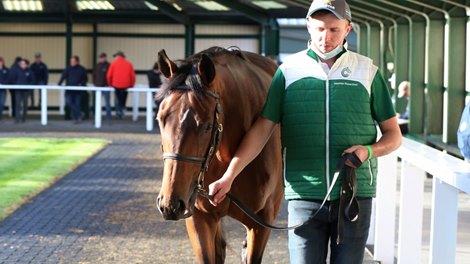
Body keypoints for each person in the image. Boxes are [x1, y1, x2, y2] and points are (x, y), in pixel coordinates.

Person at [208, 1, 402, 263]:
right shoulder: (287, 72)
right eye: (320, 28)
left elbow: (393, 136)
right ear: (309, 26)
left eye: (334, 29)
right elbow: (262, 129)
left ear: (348, 29)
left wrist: (368, 151)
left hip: (354, 194)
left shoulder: (368, 71)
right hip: (303, 195)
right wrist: (229, 176)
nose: (326, 37)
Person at [58, 55, 88, 124]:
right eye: (71, 61)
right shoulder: (68, 69)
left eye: (73, 61)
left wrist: (81, 83)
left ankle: (76, 119)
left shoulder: (82, 69)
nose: (72, 62)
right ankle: (80, 113)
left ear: (77, 61)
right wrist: (59, 83)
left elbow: (85, 79)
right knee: (69, 102)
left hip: (78, 91)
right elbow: (63, 76)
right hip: (69, 91)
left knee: (77, 104)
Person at [106, 51, 135, 119]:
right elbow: (132, 76)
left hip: (116, 85)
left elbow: (109, 76)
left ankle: (119, 111)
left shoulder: (113, 63)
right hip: (126, 85)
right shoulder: (129, 64)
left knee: (117, 98)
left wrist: (110, 84)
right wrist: (131, 85)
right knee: (124, 98)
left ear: (117, 56)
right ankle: (123, 108)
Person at [8, 59, 36, 123]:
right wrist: (16, 85)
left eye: (23, 64)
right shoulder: (16, 71)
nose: (22, 65)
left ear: (26, 65)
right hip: (18, 90)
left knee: (25, 104)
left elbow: (33, 81)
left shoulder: (30, 72)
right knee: (17, 104)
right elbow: (12, 80)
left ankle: (23, 118)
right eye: (21, 64)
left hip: (26, 91)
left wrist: (28, 86)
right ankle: (17, 119)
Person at [93, 52, 111, 122]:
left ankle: (108, 118)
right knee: (97, 103)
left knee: (107, 103)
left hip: (106, 87)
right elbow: (94, 75)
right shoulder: (97, 66)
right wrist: (95, 83)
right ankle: (96, 118)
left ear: (105, 57)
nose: (101, 59)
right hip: (97, 87)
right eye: (100, 57)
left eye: (102, 57)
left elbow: (110, 76)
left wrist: (108, 84)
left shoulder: (109, 65)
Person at [0, 57, 9, 121]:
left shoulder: (6, 70)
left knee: (2, 103)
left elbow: (9, 79)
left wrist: (3, 84)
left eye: (0, 61)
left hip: (3, 90)